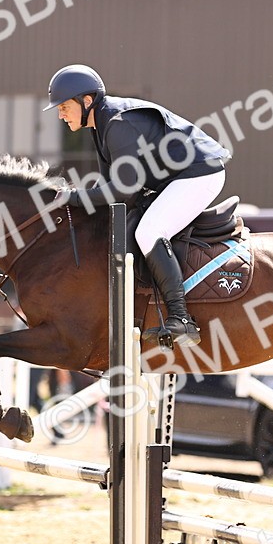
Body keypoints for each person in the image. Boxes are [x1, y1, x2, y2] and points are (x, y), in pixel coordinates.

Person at [44, 64, 231, 346]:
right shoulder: (100, 124)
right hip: (175, 177)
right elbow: (108, 187)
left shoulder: (117, 125)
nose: (60, 114)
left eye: (63, 107)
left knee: (149, 231)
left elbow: (123, 190)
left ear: (86, 101)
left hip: (199, 174)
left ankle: (181, 318)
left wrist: (71, 197)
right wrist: (74, 200)